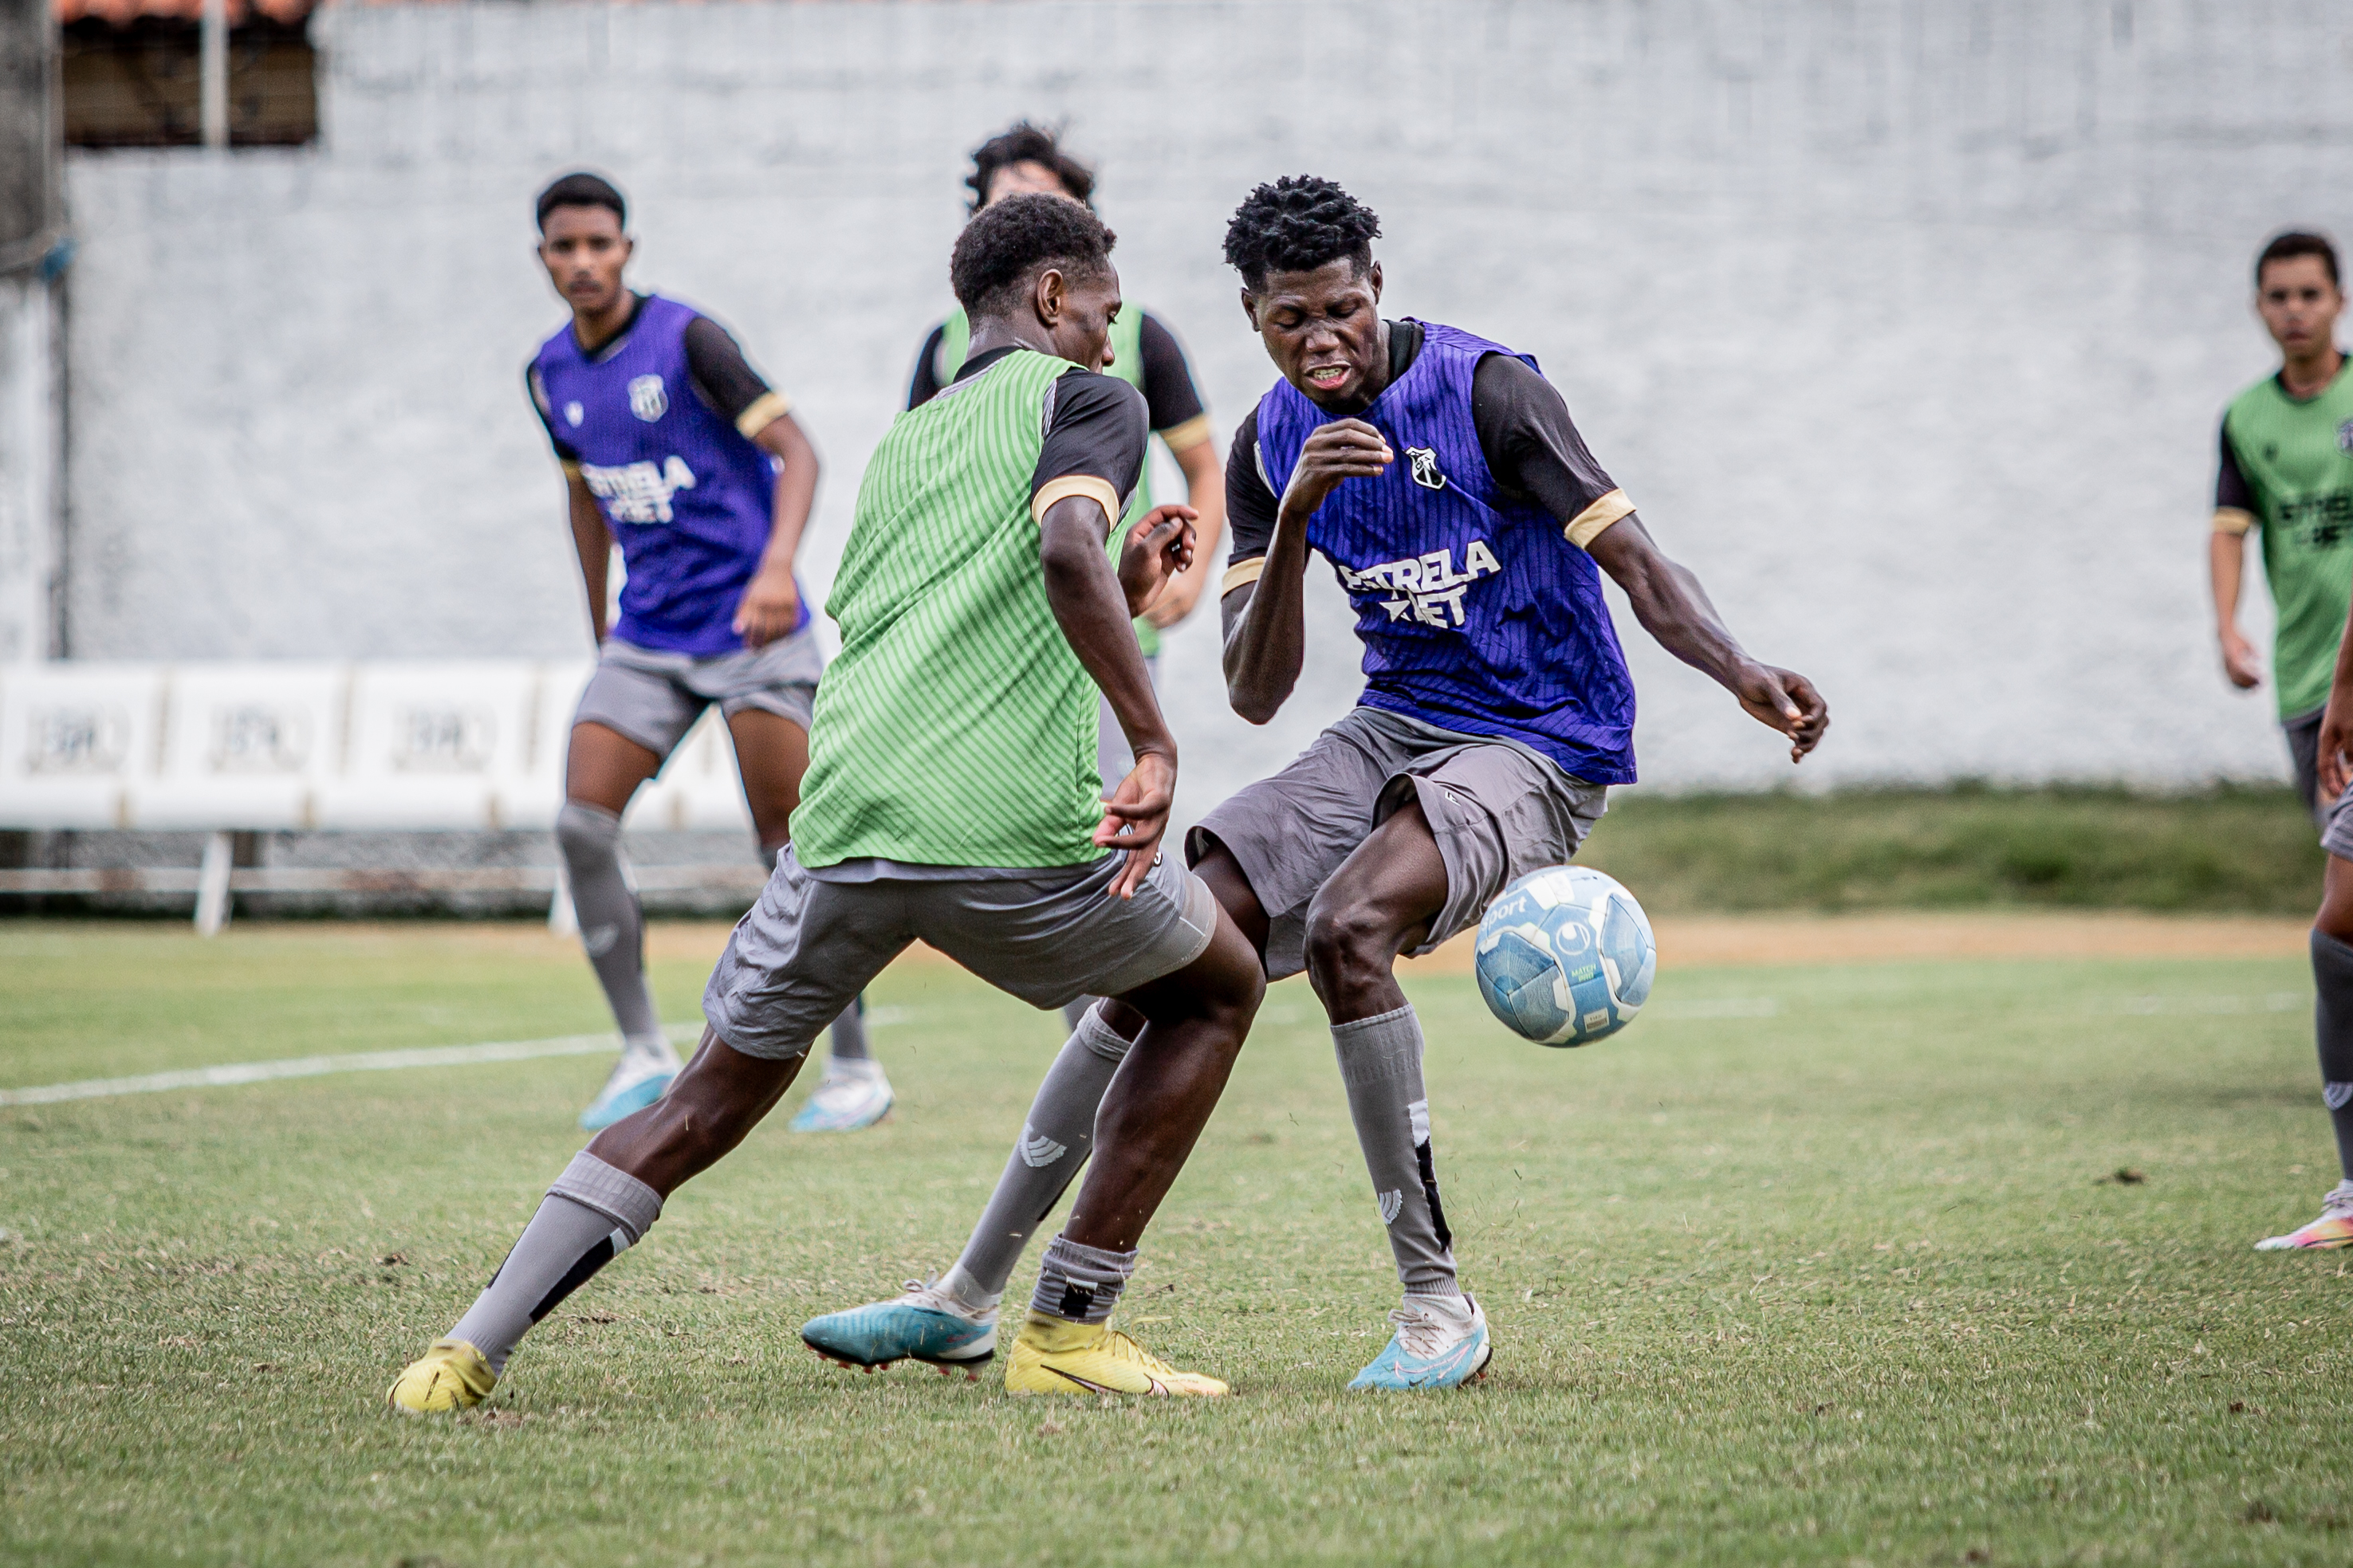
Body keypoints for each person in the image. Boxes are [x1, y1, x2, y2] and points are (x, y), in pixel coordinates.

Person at [801, 175, 1828, 1392]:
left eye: (1342, 308)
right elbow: (1250, 688)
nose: (1322, 338)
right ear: (1251, 316)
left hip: (1542, 742)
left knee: (1351, 928)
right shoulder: (1266, 445)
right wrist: (1291, 520)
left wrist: (1738, 669)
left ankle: (1437, 1307)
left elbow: (1639, 564)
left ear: (1376, 288)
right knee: (1169, 935)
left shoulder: (1490, 390)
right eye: (1292, 319)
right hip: (1392, 723)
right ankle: (969, 1295)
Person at [388, 193, 1265, 1413]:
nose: (1114, 339)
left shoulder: (908, 441)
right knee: (1214, 986)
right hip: (1010, 829)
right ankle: (1067, 1328)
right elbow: (1063, 552)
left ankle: (462, 1350)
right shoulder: (1090, 401)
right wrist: (1157, 742)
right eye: (1105, 312)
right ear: (1054, 298)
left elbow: (981, 603)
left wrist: (1120, 574)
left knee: (702, 1100)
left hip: (843, 822)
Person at [524, 171, 889, 1134]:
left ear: (625, 250)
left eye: (599, 244)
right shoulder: (548, 372)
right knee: (578, 823)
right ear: (544, 259)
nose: (584, 262)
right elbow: (583, 498)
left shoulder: (689, 338)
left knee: (798, 848)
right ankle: (642, 1049)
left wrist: (778, 568)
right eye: (565, 248)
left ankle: (852, 1065)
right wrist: (596, 617)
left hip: (753, 630)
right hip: (648, 636)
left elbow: (798, 450)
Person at [910, 123, 1229, 1038]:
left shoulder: (1129, 339)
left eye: (1041, 200)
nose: (1021, 216)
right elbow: (920, 481)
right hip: (996, 640)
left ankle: (1119, 1046)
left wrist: (1194, 568)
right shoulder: (944, 350)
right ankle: (1108, 1052)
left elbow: (1203, 464)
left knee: (1098, 840)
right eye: (1003, 202)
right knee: (1040, 848)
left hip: (1106, 628)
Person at [2215, 231, 2353, 1251]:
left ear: (2338, 301)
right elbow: (2228, 531)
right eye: (2277, 296)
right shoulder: (2246, 419)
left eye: (2309, 293)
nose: (2293, 310)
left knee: (2339, 918)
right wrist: (2227, 625)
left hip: (2349, 688)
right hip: (2312, 689)